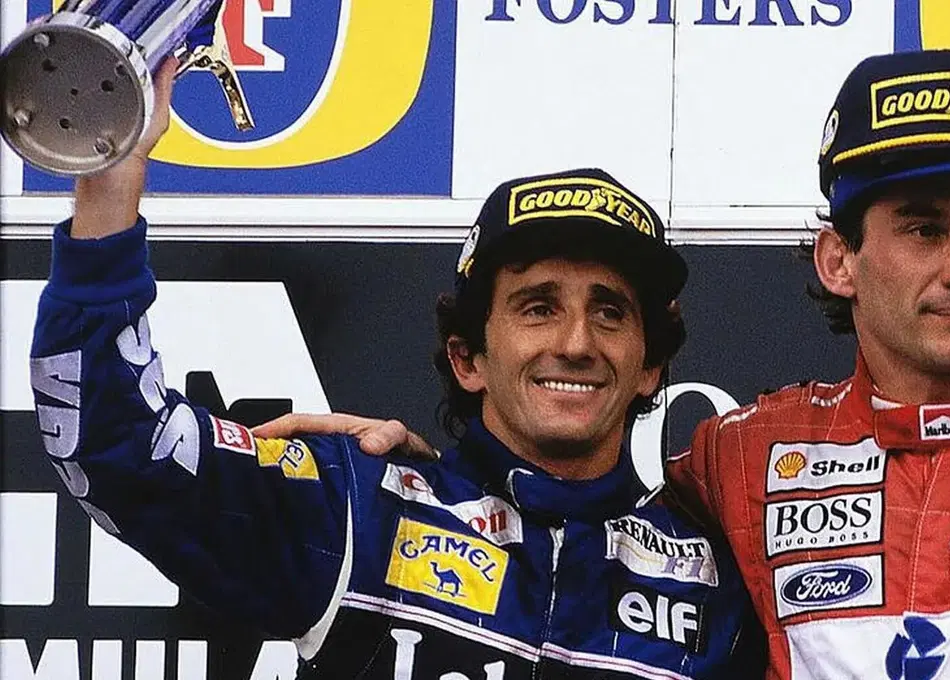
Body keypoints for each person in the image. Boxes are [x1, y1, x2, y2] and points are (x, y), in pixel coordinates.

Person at [259, 50, 950, 679]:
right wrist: (426, 480)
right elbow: (563, 522)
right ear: (839, 259)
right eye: (924, 227)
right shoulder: (743, 460)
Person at [28, 57, 763, 679]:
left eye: (609, 312)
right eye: (538, 307)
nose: (576, 342)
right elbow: (118, 445)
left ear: (650, 367)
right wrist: (111, 178)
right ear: (468, 358)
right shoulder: (361, 504)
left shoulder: (716, 584)